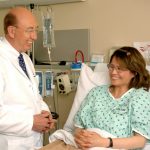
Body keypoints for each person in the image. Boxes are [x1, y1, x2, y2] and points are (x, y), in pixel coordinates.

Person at [0, 7, 55, 150]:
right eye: (29, 30)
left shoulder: (25, 59)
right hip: (10, 144)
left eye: (35, 30)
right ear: (12, 31)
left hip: (33, 141)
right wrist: (30, 122)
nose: (35, 36)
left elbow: (33, 95)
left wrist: (45, 113)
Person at [74, 46, 150, 149]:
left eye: (120, 68)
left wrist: (103, 142)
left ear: (134, 72)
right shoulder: (96, 93)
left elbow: (140, 141)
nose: (113, 72)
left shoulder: (141, 97)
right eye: (111, 67)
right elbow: (78, 126)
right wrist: (81, 138)